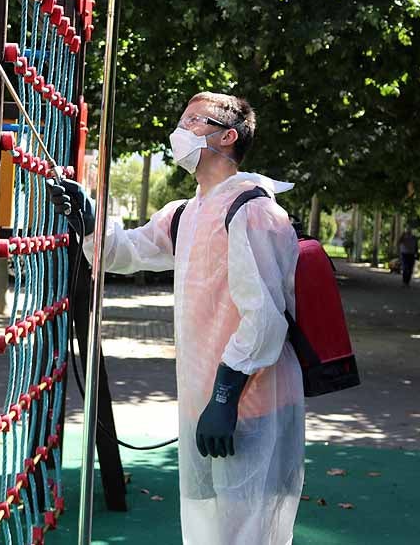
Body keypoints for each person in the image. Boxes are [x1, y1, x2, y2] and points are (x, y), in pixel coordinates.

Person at [49, 92, 303, 544]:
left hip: (253, 401)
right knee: (205, 528)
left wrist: (225, 395)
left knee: (249, 531)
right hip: (202, 400)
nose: (179, 131)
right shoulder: (186, 214)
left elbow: (264, 318)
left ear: (227, 136)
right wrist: (89, 220)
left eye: (192, 121)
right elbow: (125, 251)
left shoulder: (255, 211)